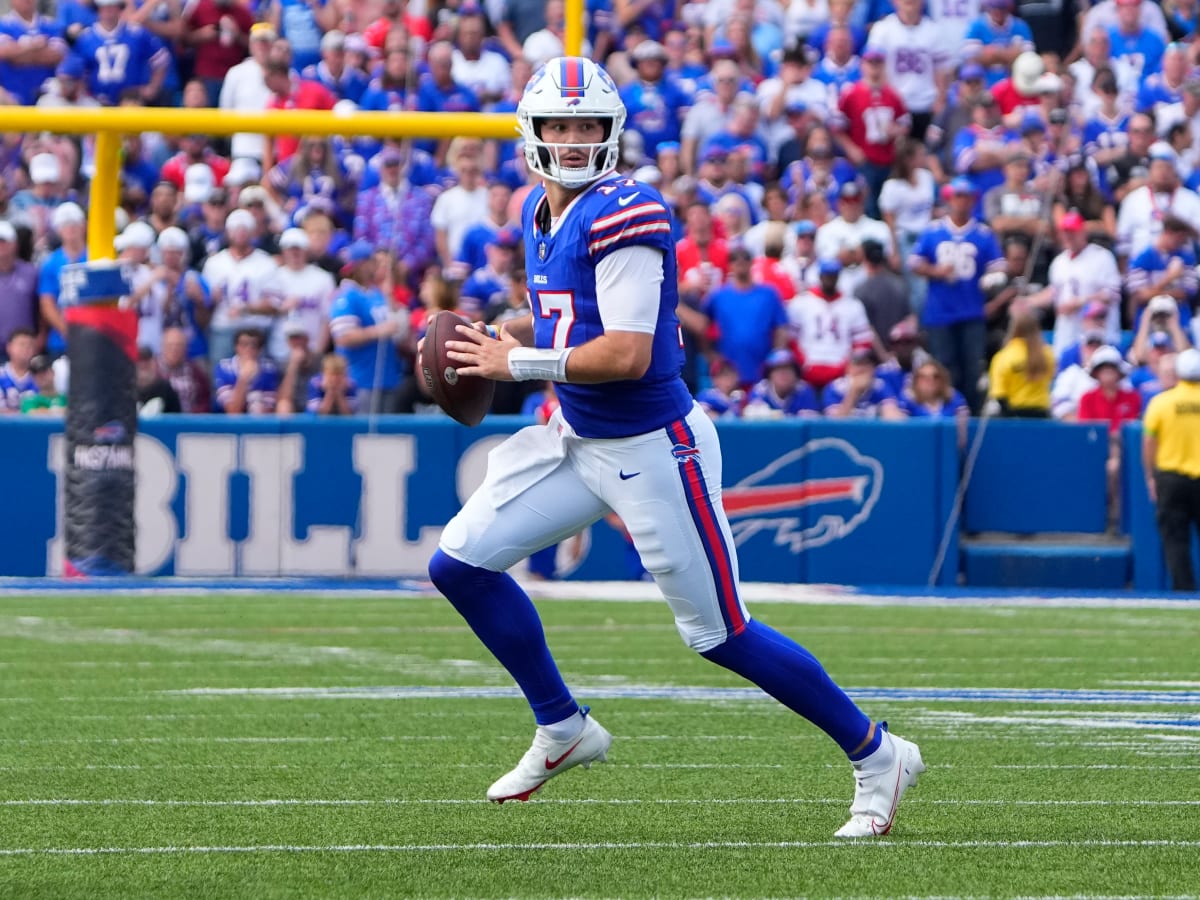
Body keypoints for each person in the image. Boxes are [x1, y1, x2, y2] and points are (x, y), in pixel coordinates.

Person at [425, 56, 924, 837]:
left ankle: (877, 752)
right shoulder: (538, 210)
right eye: (560, 124)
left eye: (588, 124)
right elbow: (563, 313)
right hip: (578, 436)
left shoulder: (628, 211)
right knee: (458, 563)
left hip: (654, 447)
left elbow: (625, 352)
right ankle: (563, 727)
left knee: (722, 634)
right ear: (533, 131)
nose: (574, 139)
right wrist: (509, 331)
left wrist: (513, 363)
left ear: (611, 131)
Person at [1142, 348, 1200, 590]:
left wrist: (1150, 477)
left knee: (1175, 540)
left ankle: (1184, 592)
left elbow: (1149, 443)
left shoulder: (1161, 403)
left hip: (1172, 479)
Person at [987, 307, 1056, 417]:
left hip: (1013, 415)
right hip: (1041, 414)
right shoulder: (1048, 354)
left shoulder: (1003, 356)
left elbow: (999, 392)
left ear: (1013, 328)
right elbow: (1051, 377)